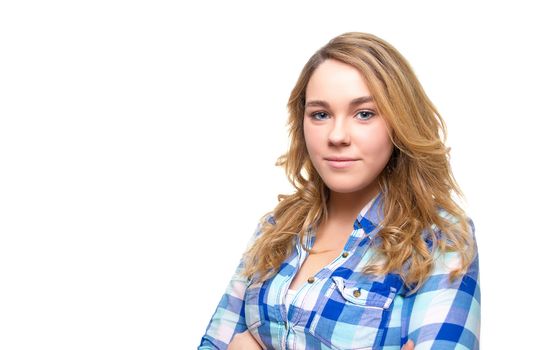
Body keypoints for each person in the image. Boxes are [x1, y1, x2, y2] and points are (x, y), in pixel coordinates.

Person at [198, 32, 480, 350]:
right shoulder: (276, 229)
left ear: (400, 122)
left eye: (364, 114)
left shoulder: (439, 237)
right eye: (321, 114)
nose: (337, 135)